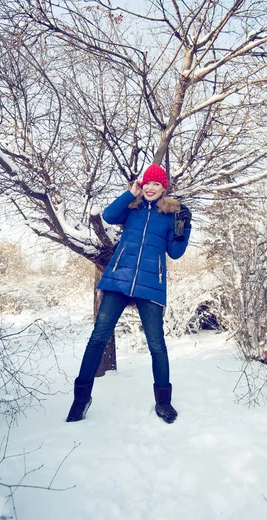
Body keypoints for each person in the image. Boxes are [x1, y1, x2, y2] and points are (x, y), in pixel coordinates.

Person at [66, 164, 192, 424]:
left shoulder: (170, 215)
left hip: (151, 284)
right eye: (146, 183)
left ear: (163, 187)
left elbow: (176, 253)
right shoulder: (131, 209)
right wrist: (129, 193)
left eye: (155, 184)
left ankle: (164, 403)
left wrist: (183, 227)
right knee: (97, 338)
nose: (150, 187)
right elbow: (110, 216)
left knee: (157, 345)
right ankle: (80, 400)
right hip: (119, 279)